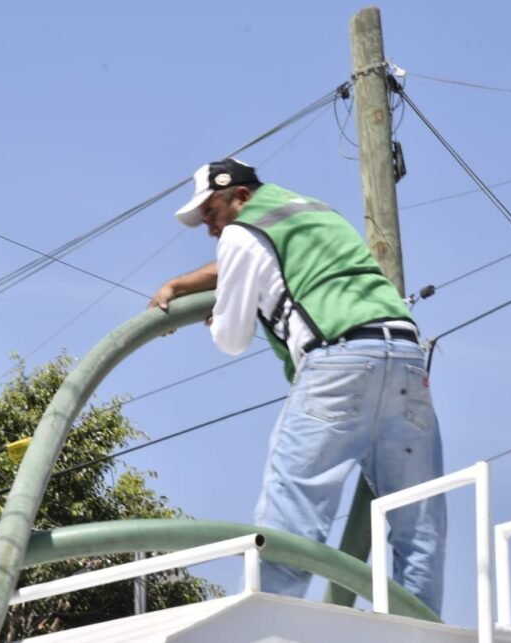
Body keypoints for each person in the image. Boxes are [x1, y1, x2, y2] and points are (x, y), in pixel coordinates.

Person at [148, 158, 446, 615]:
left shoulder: (240, 231)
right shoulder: (312, 212)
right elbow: (249, 257)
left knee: (292, 518)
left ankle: (272, 623)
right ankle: (423, 628)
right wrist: (182, 283)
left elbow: (232, 337)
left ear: (240, 197)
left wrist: (217, 315)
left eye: (211, 213)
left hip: (338, 364)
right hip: (405, 357)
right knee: (417, 523)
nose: (211, 228)